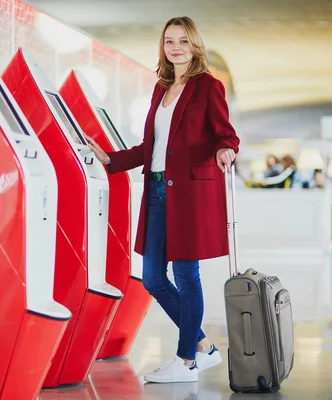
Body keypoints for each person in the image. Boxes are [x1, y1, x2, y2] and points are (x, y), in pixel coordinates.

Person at [85, 16, 240, 384]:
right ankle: (202, 347)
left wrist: (225, 150)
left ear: (194, 46)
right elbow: (150, 148)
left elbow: (226, 134)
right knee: (153, 278)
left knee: (187, 276)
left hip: (189, 193)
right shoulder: (161, 89)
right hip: (156, 190)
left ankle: (186, 361)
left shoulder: (209, 87)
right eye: (170, 41)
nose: (176, 47)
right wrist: (111, 159)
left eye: (183, 41)